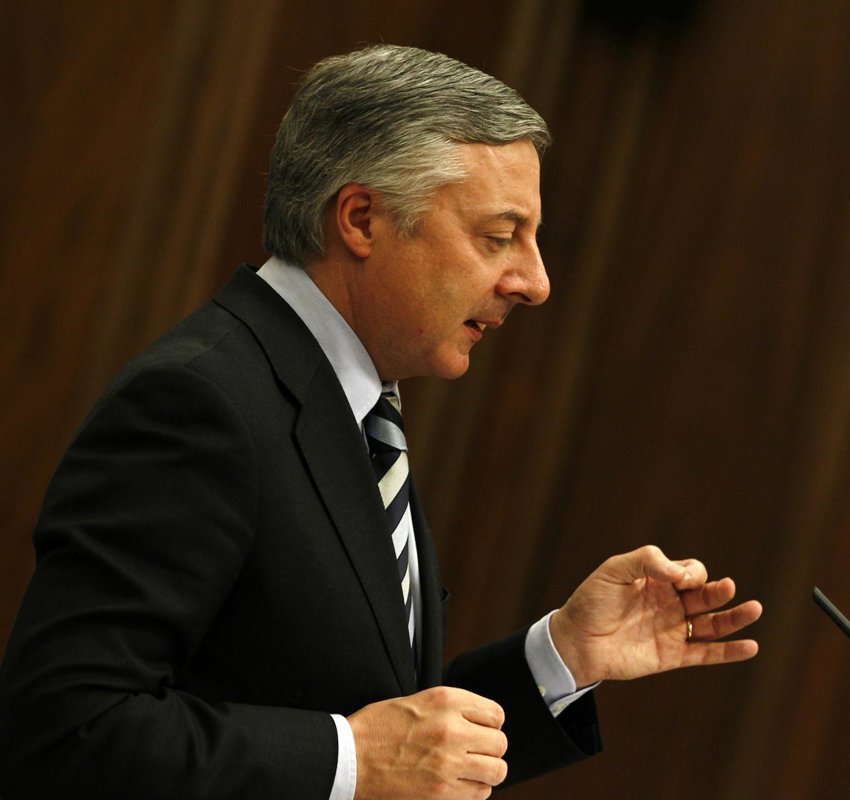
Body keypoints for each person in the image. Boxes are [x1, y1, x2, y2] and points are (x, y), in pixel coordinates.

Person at [0, 45, 761, 800]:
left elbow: (397, 733)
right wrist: (353, 760)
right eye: (498, 237)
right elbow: (66, 730)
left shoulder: (358, 410)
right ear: (362, 219)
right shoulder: (200, 404)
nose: (535, 282)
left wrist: (561, 657)